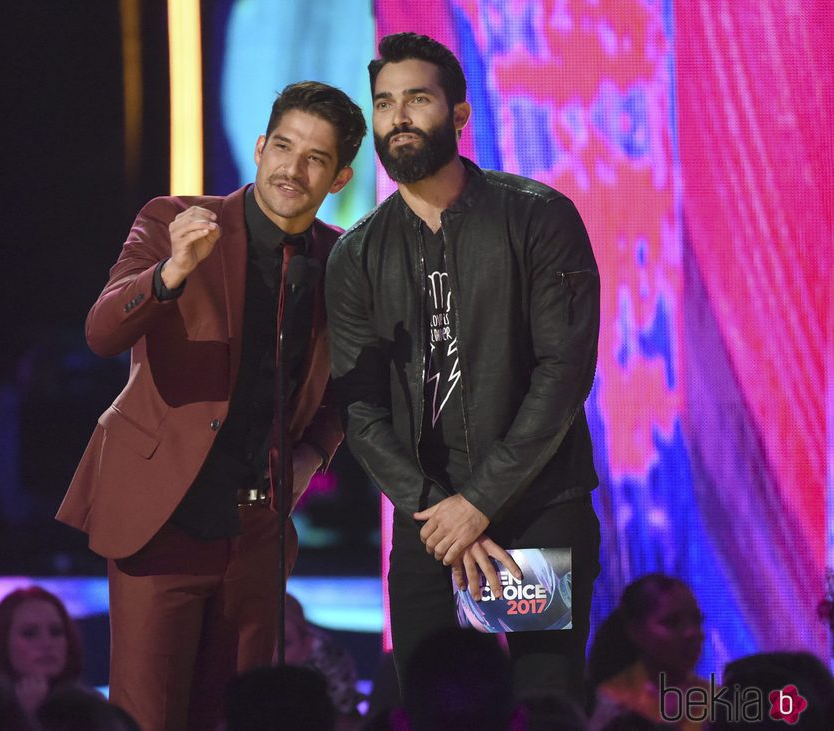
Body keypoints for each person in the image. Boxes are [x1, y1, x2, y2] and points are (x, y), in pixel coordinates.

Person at [56, 80, 366, 731]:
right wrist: (169, 275)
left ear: (338, 176)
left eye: (314, 157)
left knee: (242, 714)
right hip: (159, 514)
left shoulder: (342, 262)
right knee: (146, 717)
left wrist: (311, 455)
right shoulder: (175, 218)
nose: (291, 167)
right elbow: (102, 331)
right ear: (258, 147)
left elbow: (346, 387)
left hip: (255, 527)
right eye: (282, 146)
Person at [326, 32, 601, 702]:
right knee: (432, 701)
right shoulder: (358, 254)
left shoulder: (536, 217)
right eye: (384, 103)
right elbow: (359, 409)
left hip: (535, 504)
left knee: (541, 699)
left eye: (416, 99)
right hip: (430, 521)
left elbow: (562, 372)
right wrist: (436, 507)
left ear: (457, 113)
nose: (397, 117)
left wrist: (479, 501)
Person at [586, 574, 704, 731]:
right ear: (635, 631)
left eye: (697, 621)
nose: (692, 633)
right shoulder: (611, 705)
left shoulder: (720, 701)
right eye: (672, 622)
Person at [0, 586, 85, 713]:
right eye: (29, 633)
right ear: (2, 642)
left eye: (56, 632)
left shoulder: (94, 707)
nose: (47, 643)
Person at [282, 593, 363, 727]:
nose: (273, 655)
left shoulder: (334, 688)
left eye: (285, 643)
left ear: (307, 645)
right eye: (262, 642)